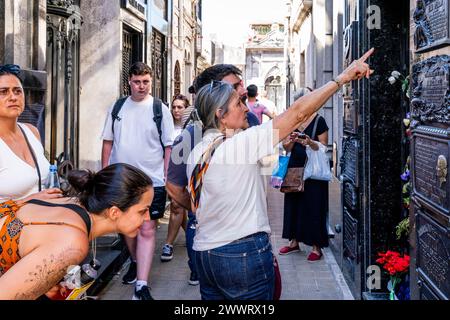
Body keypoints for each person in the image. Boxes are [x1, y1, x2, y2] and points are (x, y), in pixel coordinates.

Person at [186, 49, 374, 300]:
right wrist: (342, 78)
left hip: (205, 254)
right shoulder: (239, 146)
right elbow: (298, 113)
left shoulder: (197, 151)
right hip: (241, 253)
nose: (245, 108)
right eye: (238, 104)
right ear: (221, 115)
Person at [0, 163, 154, 300]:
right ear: (114, 212)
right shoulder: (73, 243)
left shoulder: (71, 202)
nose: (148, 218)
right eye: (143, 211)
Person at [166, 64, 260, 286]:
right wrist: (200, 208)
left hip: (247, 235)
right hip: (210, 235)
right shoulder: (190, 136)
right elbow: (173, 186)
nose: (243, 90)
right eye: (236, 86)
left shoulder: (250, 121)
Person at [101, 62, 174, 300]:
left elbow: (168, 146)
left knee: (147, 228)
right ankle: (134, 260)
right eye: (137, 81)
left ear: (150, 83)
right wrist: (105, 174)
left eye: (146, 82)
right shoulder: (118, 107)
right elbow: (108, 142)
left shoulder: (159, 108)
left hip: (151, 181)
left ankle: (141, 284)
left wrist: (165, 175)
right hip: (122, 180)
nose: (141, 86)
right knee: (127, 228)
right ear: (129, 82)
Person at [279, 88, 330, 261]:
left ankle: (316, 247)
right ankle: (294, 242)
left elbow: (323, 147)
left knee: (314, 206)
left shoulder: (319, 121)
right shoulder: (292, 121)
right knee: (294, 205)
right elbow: (285, 147)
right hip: (295, 168)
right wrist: (292, 142)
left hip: (313, 172)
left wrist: (309, 142)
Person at [0, 64, 62, 204]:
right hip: (9, 223)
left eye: (17, 91)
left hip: (41, 216)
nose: (13, 97)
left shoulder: (31, 131)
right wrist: (29, 200)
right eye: (3, 92)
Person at [160, 94, 190, 262]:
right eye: (174, 107)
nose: (176, 110)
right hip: (170, 173)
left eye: (180, 107)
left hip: (185, 172)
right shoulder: (166, 125)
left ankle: (169, 243)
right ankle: (189, 237)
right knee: (178, 206)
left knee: (177, 206)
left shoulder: (192, 127)